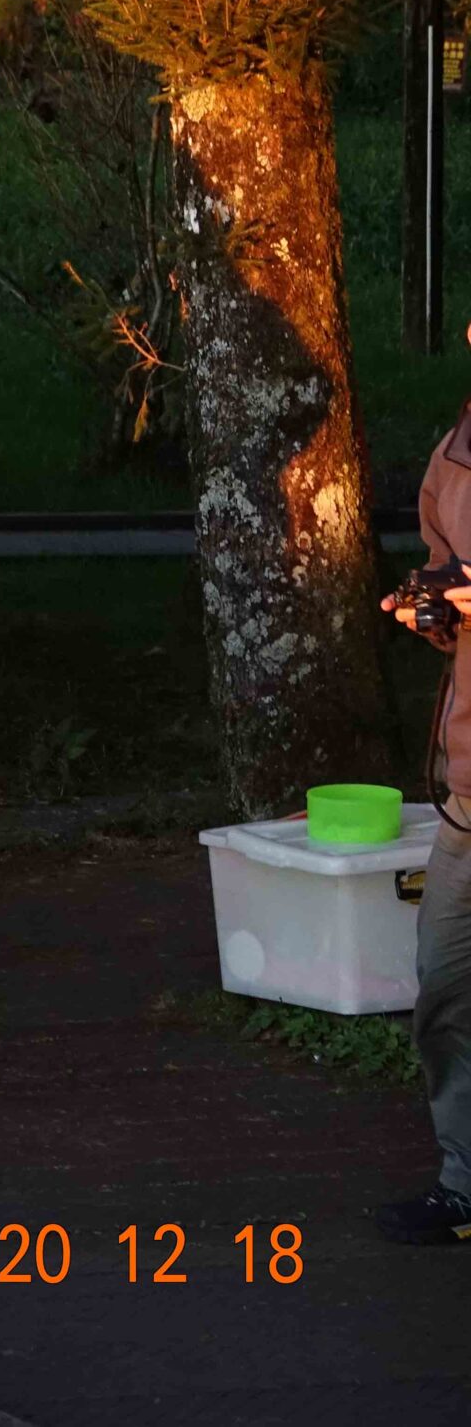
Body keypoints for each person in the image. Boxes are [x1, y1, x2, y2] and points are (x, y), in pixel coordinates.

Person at [375, 328, 471, 1245]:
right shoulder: (456, 448)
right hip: (467, 789)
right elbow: (448, 580)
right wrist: (430, 606)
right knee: (444, 990)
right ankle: (464, 1183)